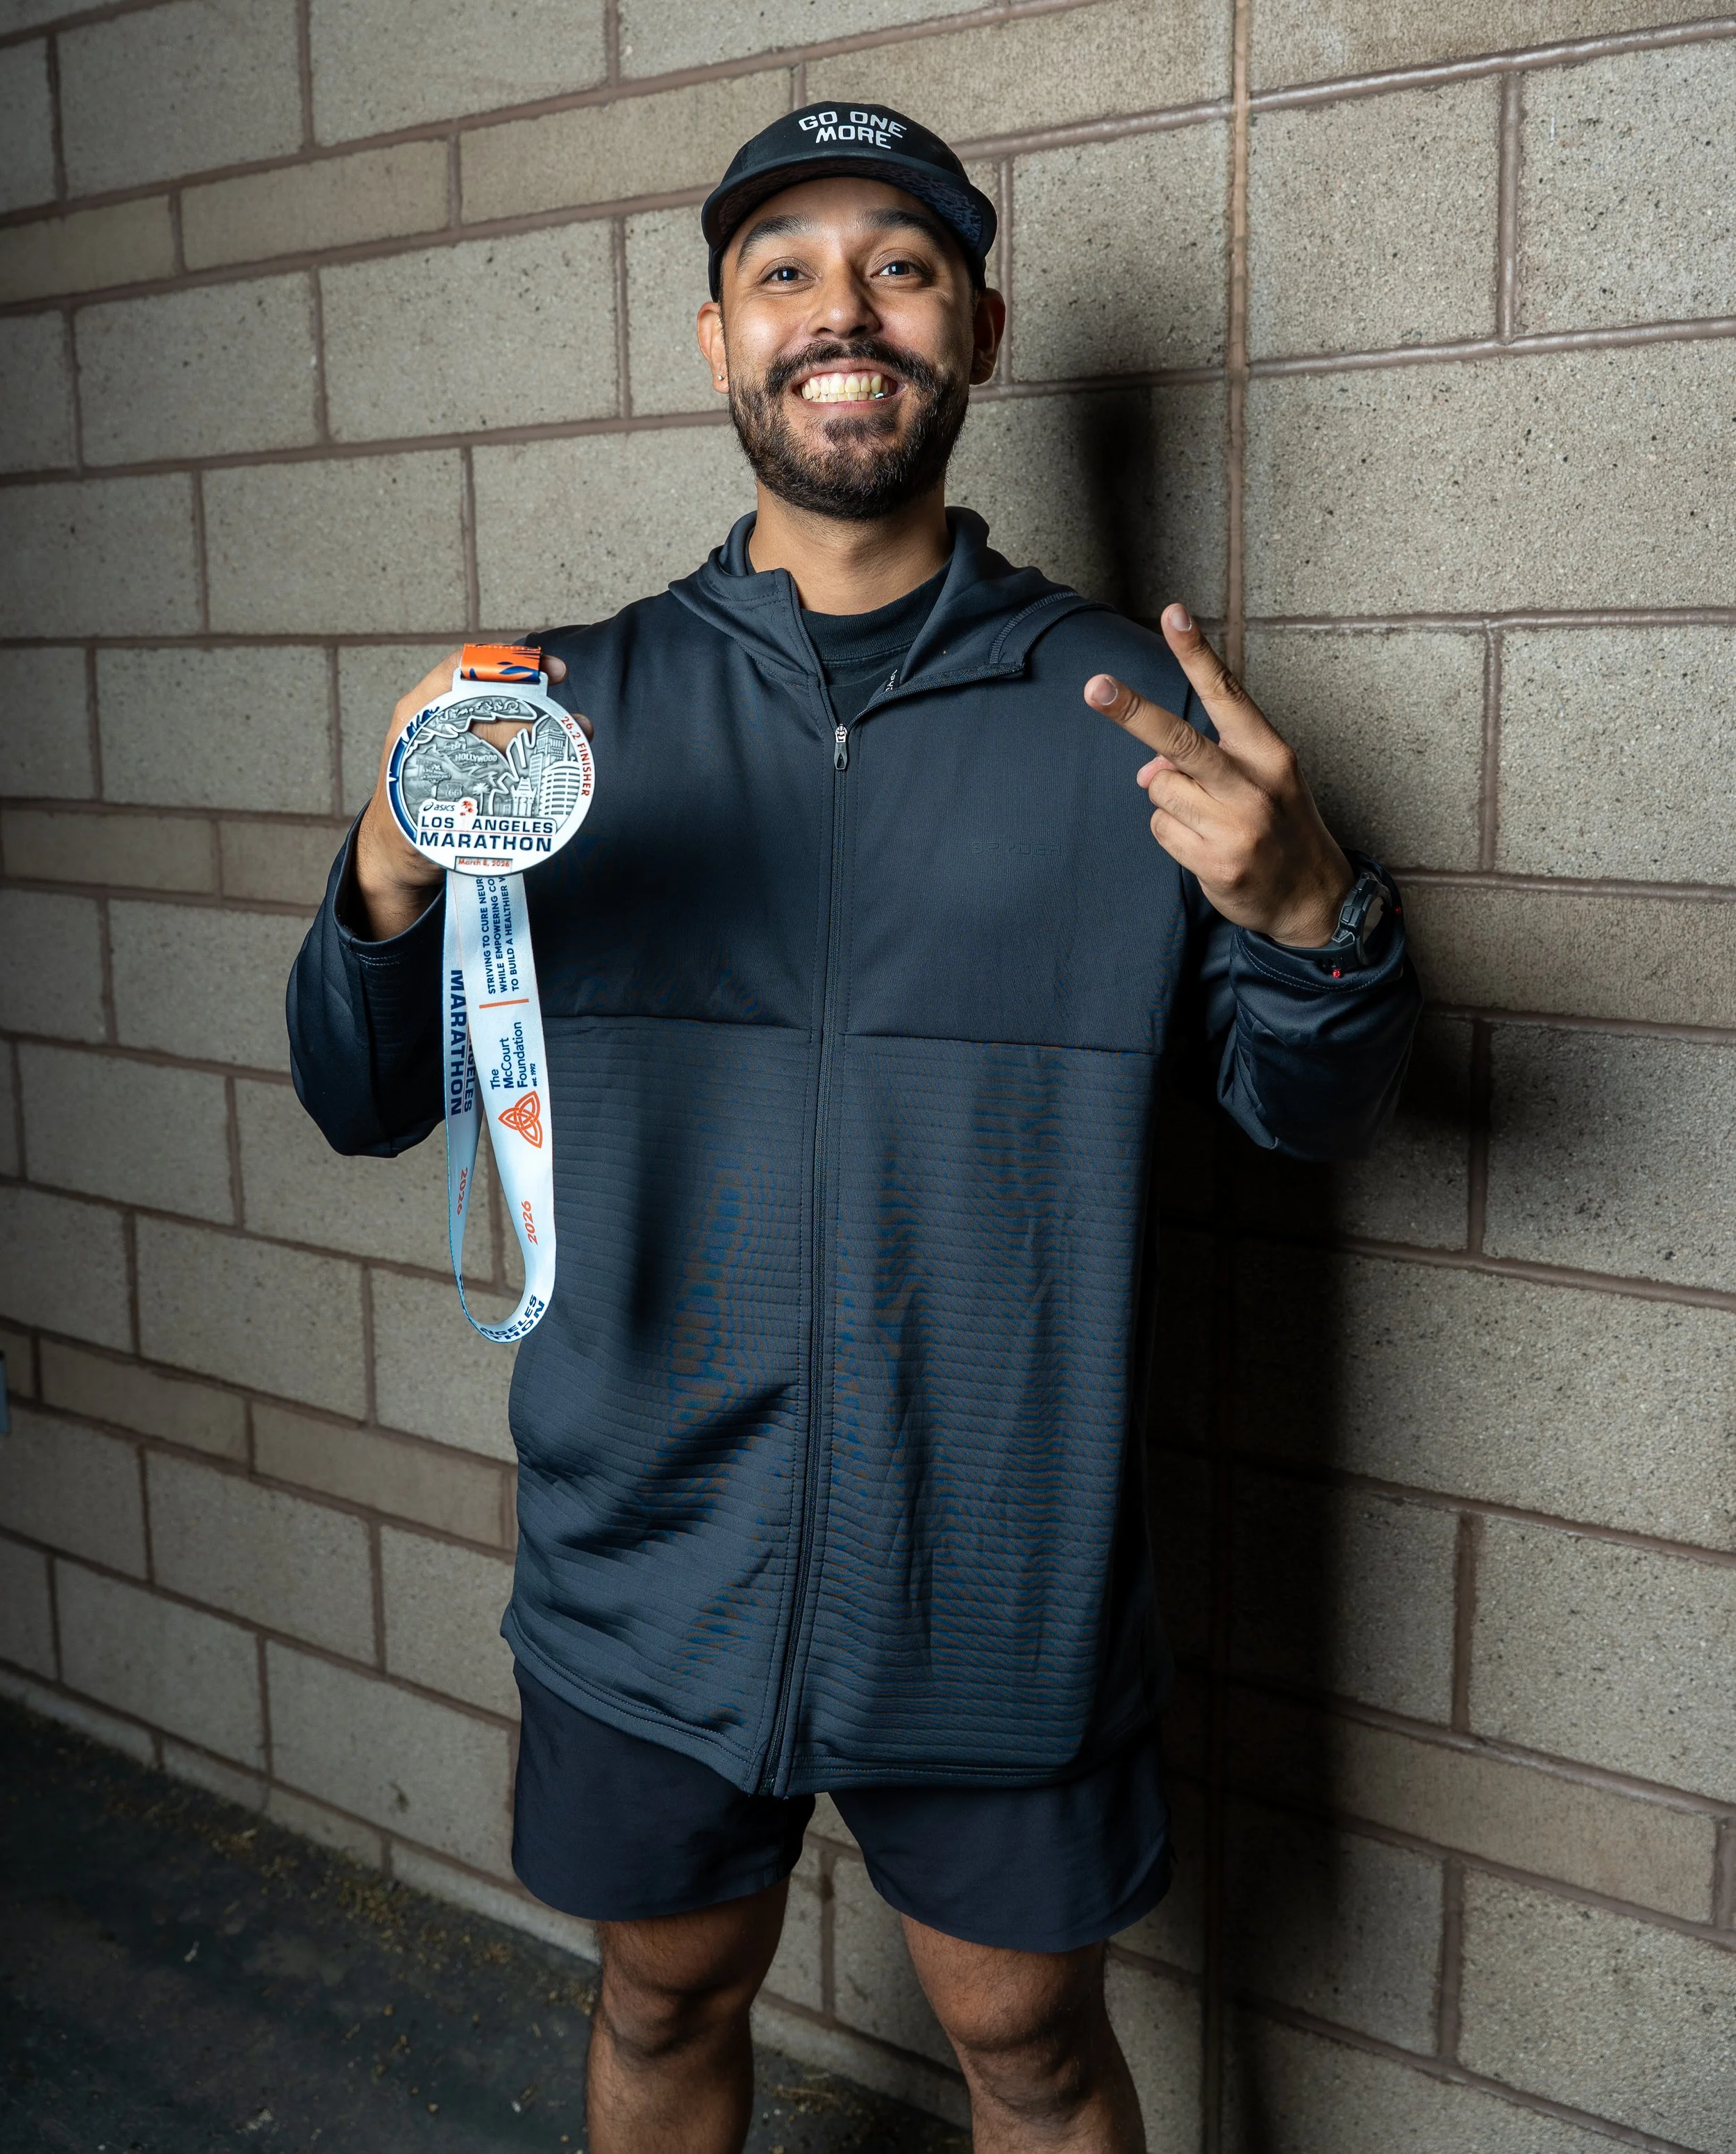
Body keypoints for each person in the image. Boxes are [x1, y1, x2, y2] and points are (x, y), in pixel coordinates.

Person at [289, 103, 1420, 2153]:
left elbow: (1312, 1112)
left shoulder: (1126, 716)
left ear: (978, 329)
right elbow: (362, 1093)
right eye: (784, 267)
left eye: (898, 265)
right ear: (712, 336)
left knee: (1031, 2052)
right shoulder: (561, 716)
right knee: (657, 1999)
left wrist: (1310, 915)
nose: (843, 308)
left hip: (995, 1565)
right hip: (645, 1559)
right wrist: (381, 870)